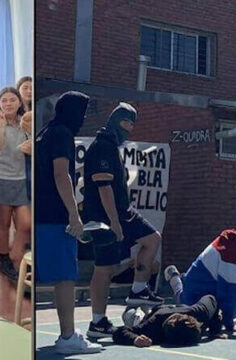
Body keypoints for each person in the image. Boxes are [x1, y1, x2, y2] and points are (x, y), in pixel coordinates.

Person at [83, 103, 163, 339]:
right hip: (105, 218)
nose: (128, 128)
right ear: (114, 120)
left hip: (123, 212)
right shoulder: (103, 146)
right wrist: (114, 221)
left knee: (152, 239)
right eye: (125, 122)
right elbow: (103, 187)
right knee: (103, 269)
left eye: (131, 124)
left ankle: (139, 290)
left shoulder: (111, 146)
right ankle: (98, 322)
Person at [34, 92, 101, 354]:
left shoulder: (45, 132)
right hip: (55, 216)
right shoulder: (62, 134)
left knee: (49, 275)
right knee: (65, 277)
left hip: (41, 213)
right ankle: (67, 337)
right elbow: (61, 175)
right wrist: (74, 214)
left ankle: (68, 331)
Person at [178, 222, 236, 336]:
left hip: (197, 286)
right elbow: (227, 292)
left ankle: (177, 281)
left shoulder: (232, 241)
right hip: (195, 297)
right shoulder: (230, 255)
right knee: (197, 323)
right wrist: (230, 324)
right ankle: (176, 281)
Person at [0, 86, 31, 282]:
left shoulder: (26, 122)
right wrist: (2, 126)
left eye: (12, 100)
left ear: (19, 102)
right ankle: (4, 260)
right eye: (4, 101)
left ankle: (15, 255)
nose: (8, 104)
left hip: (19, 178)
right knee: (3, 223)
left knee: (25, 223)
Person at [112, 295, 223, 348]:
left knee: (180, 295)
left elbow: (212, 298)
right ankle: (135, 317)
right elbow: (119, 331)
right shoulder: (153, 327)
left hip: (181, 306)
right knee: (136, 323)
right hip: (156, 312)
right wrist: (135, 339)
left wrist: (215, 330)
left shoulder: (199, 313)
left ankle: (175, 281)